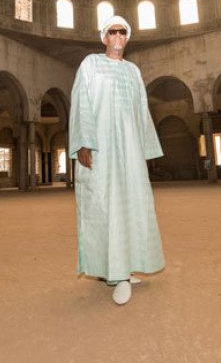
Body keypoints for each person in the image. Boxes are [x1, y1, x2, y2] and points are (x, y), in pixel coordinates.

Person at [68, 15, 165, 305]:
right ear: (104, 37)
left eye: (123, 31)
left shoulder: (133, 71)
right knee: (104, 205)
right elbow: (81, 101)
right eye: (113, 31)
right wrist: (83, 142)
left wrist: (142, 149)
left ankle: (124, 265)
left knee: (131, 205)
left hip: (129, 150)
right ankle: (116, 274)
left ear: (128, 37)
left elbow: (141, 110)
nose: (118, 36)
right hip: (101, 147)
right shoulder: (91, 63)